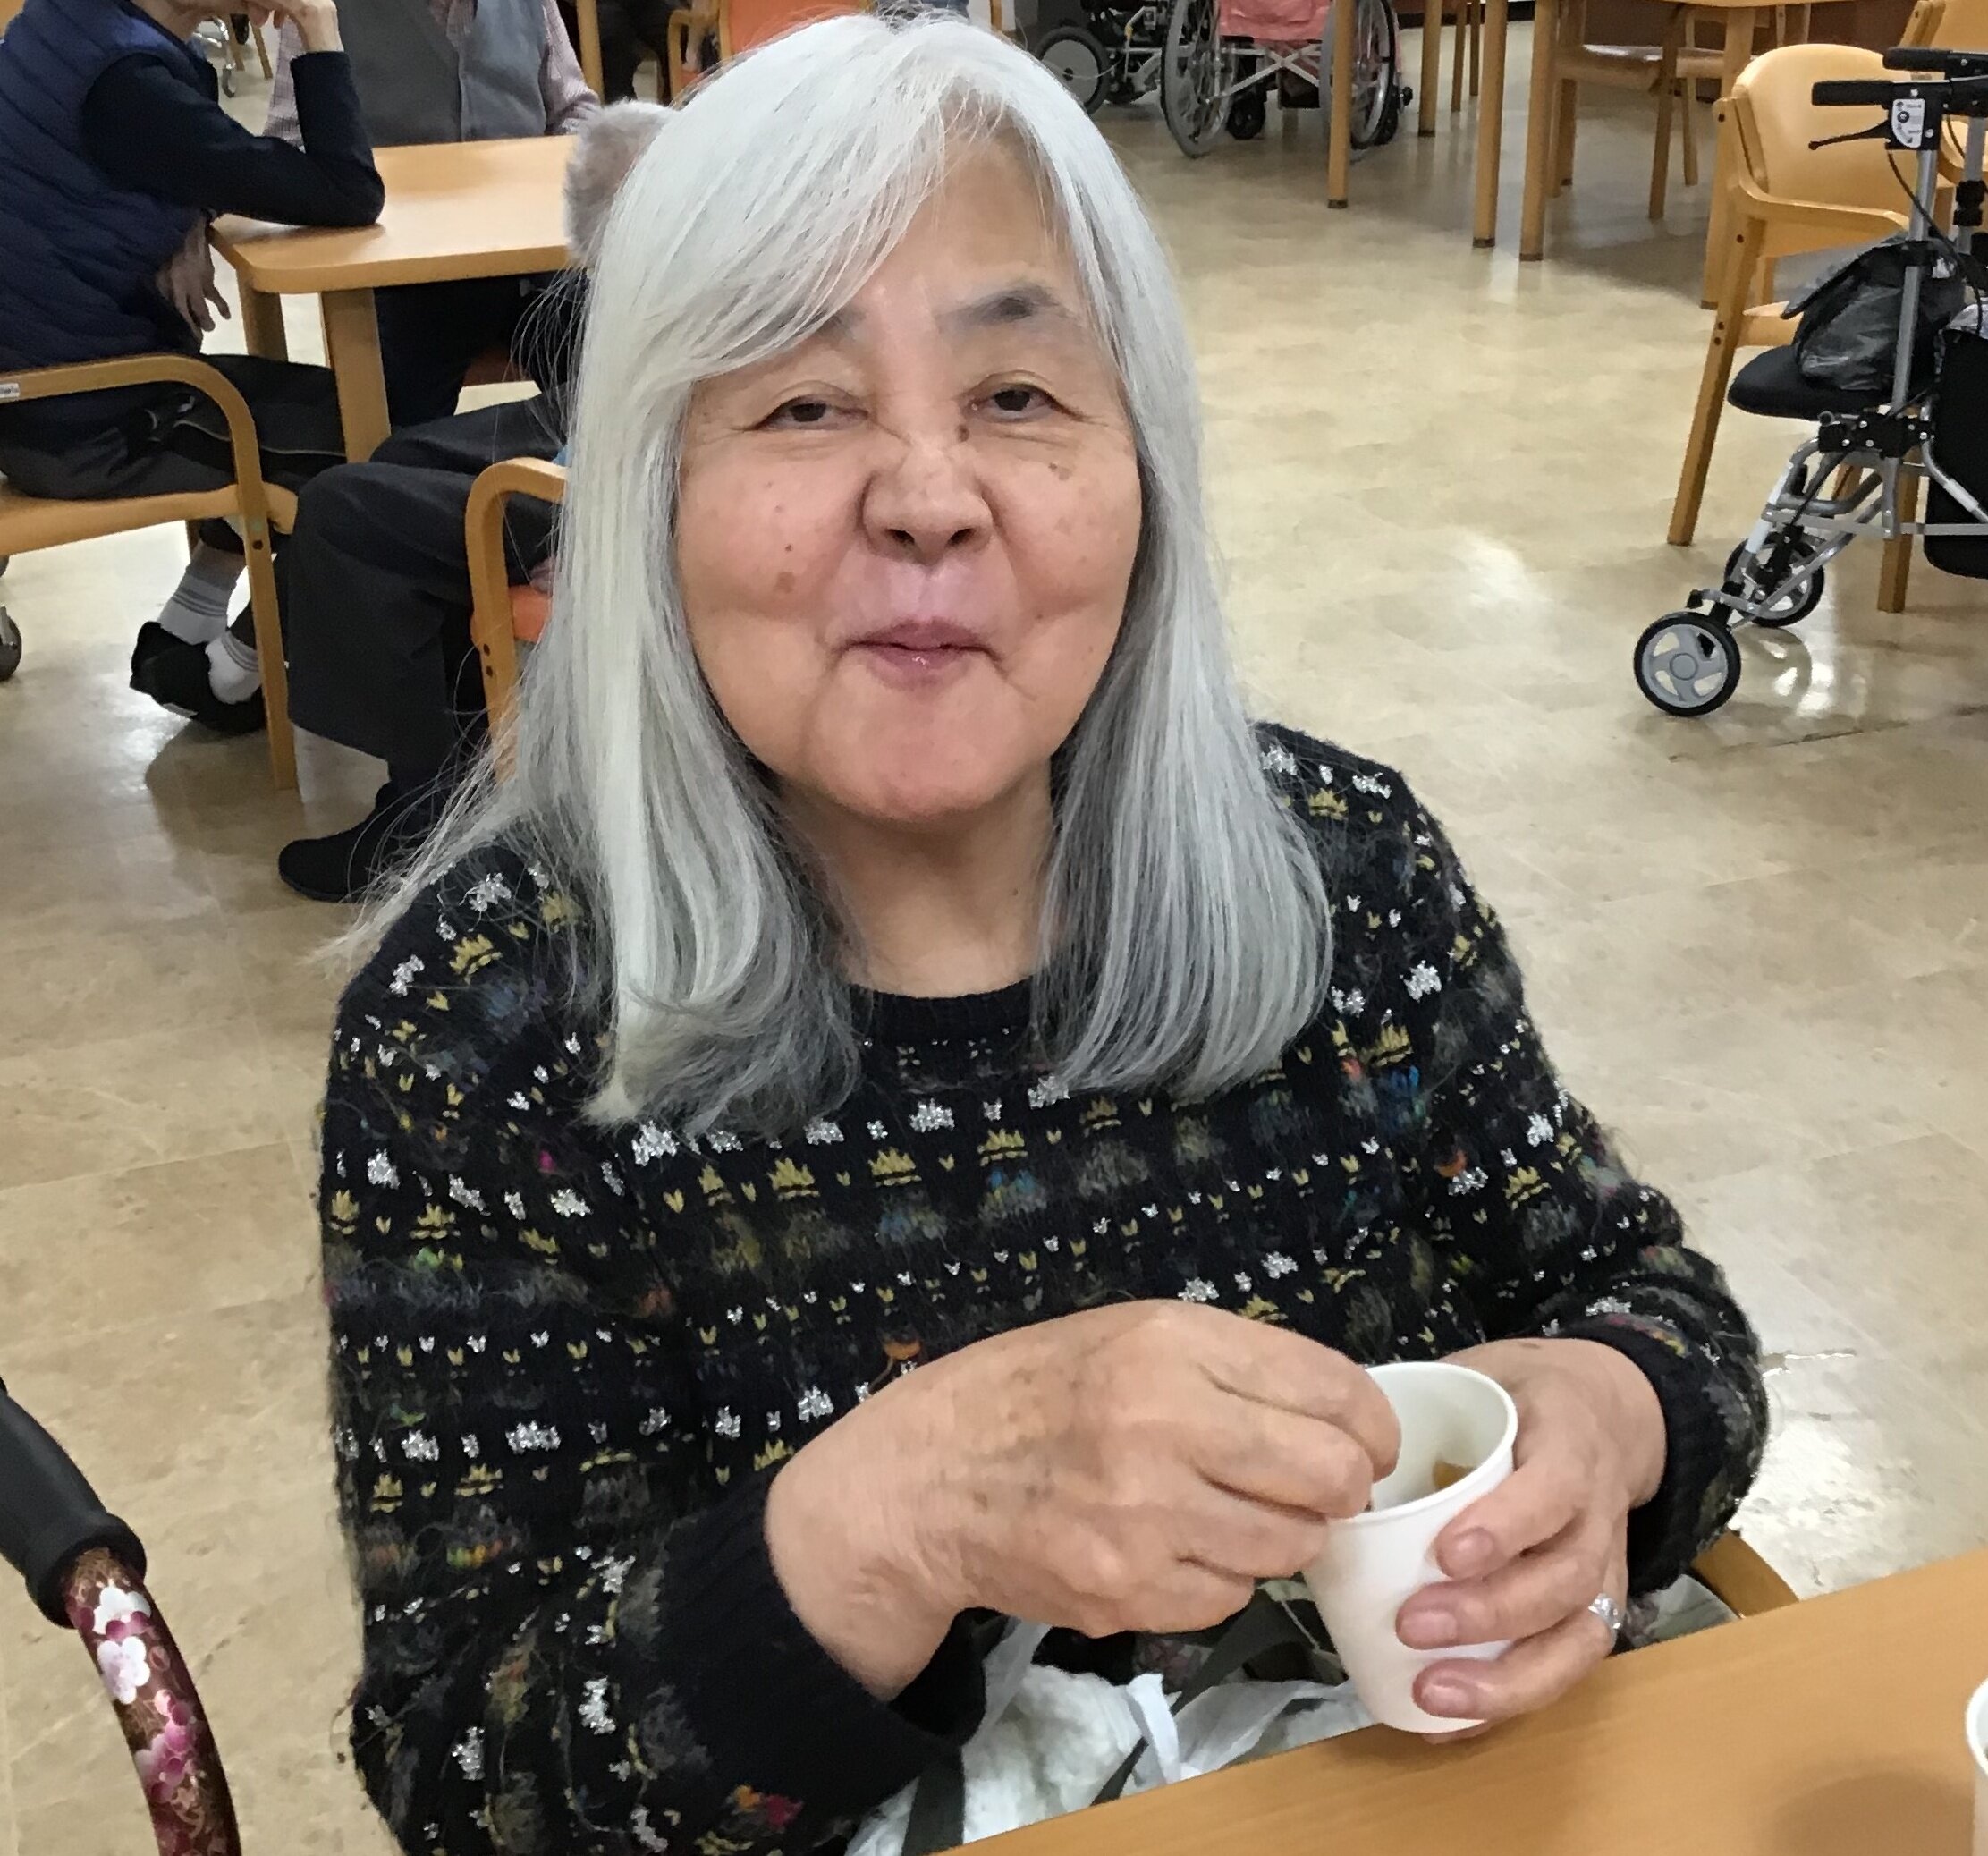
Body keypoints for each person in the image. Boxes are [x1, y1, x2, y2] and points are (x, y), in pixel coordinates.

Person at [319, 19, 1768, 1856]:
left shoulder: (1338, 869)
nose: (928, 496)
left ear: (1140, 474)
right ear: (648, 488)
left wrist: (1608, 1415)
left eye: (1016, 395)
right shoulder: (488, 1023)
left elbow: (1653, 1302)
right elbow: (466, 1777)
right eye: (801, 402)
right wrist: (893, 1518)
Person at [269, 98, 670, 903]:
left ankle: (426, 811)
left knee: (346, 513)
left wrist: (584, 523)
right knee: (402, 453)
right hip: (605, 428)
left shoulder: (724, 294)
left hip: (632, 477)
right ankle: (463, 761)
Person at [0, 0, 382, 733]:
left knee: (322, 409)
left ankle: (189, 627)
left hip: (43, 386)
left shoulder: (68, 19)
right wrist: (320, 29)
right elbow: (347, 192)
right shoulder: (130, 82)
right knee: (369, 446)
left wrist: (189, 217)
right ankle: (231, 675)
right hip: (85, 420)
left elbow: (161, 156)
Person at [264, 0, 598, 429]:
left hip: (534, 271)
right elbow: (289, 143)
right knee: (392, 428)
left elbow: (574, 112)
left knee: (619, 376)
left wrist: (557, 172)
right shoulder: (322, 11)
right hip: (404, 280)